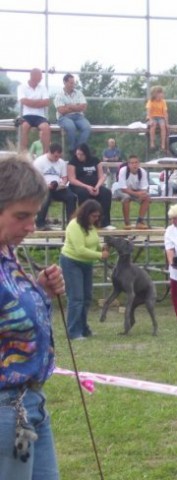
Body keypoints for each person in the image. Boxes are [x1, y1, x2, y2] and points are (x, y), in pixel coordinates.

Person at [0, 155, 65, 479]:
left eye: (34, 215)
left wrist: (39, 291)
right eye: (21, 216)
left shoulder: (7, 253)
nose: (31, 226)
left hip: (30, 404)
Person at [60, 199, 109, 340]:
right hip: (71, 262)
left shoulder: (90, 226)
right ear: (86, 213)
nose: (96, 219)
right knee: (76, 298)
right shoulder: (74, 225)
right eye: (93, 216)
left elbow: (93, 243)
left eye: (98, 216)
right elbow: (80, 250)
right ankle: (73, 331)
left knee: (86, 298)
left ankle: (83, 328)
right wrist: (100, 255)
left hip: (86, 264)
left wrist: (102, 248)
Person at [67, 143, 114, 229]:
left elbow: (101, 176)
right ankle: (84, 222)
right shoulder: (73, 161)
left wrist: (97, 186)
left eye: (81, 154)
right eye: (77, 154)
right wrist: (87, 187)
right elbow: (72, 179)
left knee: (106, 193)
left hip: (95, 185)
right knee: (83, 193)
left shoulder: (95, 160)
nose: (79, 156)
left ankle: (105, 223)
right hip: (79, 186)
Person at [32, 143, 77, 230]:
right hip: (43, 187)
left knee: (71, 197)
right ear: (49, 152)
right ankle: (40, 223)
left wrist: (63, 183)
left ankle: (71, 224)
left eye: (59, 156)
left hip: (57, 187)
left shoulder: (61, 162)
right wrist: (46, 185)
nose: (57, 158)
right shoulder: (39, 161)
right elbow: (35, 178)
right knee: (46, 197)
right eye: (55, 156)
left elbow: (64, 177)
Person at [53, 73, 91, 154]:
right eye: (71, 83)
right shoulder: (59, 95)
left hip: (78, 116)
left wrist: (69, 106)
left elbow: (84, 107)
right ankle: (72, 149)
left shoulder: (79, 93)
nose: (73, 85)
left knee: (87, 127)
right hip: (64, 117)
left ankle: (78, 149)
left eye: (74, 83)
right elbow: (61, 111)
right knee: (71, 126)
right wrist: (76, 107)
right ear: (65, 82)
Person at [112, 155, 151, 229]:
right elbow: (123, 189)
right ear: (128, 164)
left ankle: (140, 221)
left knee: (147, 197)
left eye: (136, 162)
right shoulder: (123, 170)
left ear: (139, 163)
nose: (134, 165)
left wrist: (142, 194)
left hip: (134, 190)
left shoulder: (142, 172)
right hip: (119, 189)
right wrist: (137, 194)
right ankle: (127, 223)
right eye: (132, 163)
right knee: (126, 197)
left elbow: (144, 187)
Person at [17, 68, 51, 153]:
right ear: (33, 76)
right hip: (26, 115)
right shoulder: (22, 87)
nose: (41, 78)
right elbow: (23, 101)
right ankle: (23, 154)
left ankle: (45, 154)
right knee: (24, 127)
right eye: (40, 76)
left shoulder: (43, 88)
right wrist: (39, 102)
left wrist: (30, 102)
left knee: (46, 128)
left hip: (40, 116)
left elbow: (46, 102)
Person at [146, 85, 169, 152]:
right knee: (153, 126)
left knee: (163, 126)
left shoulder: (163, 101)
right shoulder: (150, 101)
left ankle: (163, 144)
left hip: (160, 117)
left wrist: (167, 123)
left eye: (162, 93)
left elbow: (165, 112)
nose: (162, 94)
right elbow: (148, 112)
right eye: (160, 93)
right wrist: (150, 120)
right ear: (155, 94)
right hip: (152, 117)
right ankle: (152, 143)